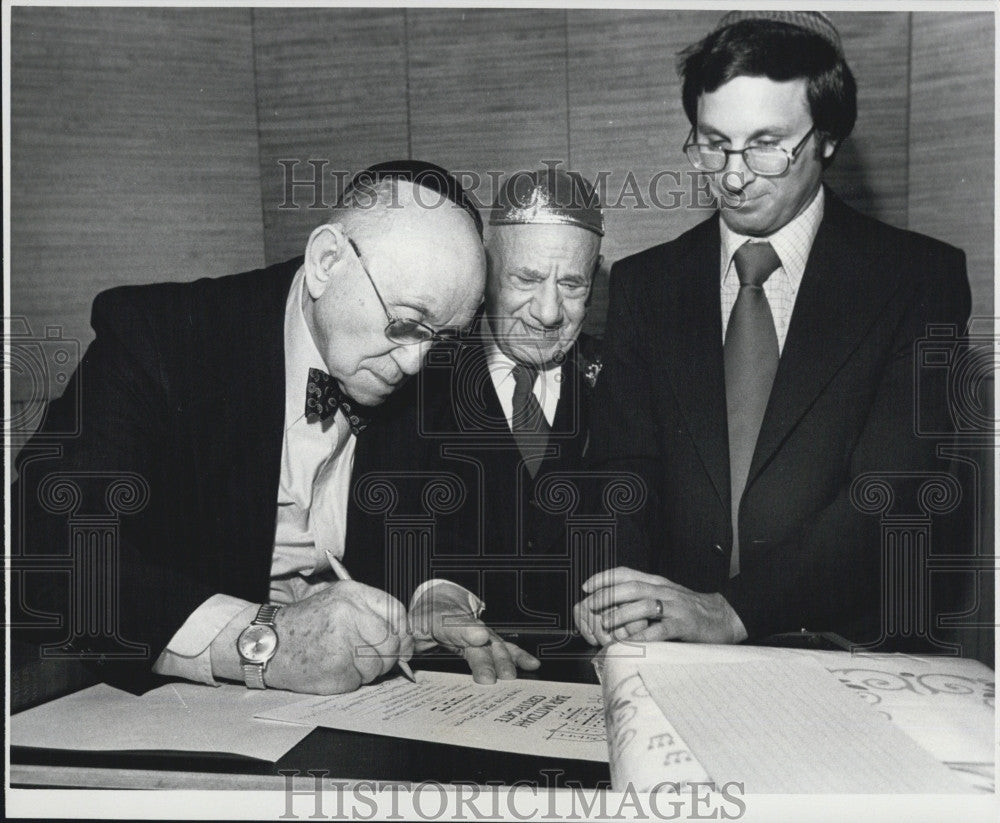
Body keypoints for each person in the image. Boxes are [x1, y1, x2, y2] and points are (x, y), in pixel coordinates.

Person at [13, 160, 538, 695]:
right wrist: (263, 642)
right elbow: (46, 543)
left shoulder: (435, 353)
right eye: (403, 323)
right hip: (185, 704)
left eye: (442, 337)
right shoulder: (160, 337)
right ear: (326, 261)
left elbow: (502, 514)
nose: (415, 363)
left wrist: (437, 593)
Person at [574, 12, 971, 649]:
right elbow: (624, 469)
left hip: (848, 653)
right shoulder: (645, 284)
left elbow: (891, 492)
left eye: (766, 144)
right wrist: (613, 590)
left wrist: (730, 611)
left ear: (829, 136)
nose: (733, 175)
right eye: (712, 142)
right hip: (674, 655)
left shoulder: (919, 279)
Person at [345, 169, 605, 656]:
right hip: (446, 676)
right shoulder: (413, 373)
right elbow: (375, 526)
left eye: (572, 285)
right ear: (484, 272)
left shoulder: (620, 379)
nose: (548, 313)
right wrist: (428, 594)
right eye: (526, 279)